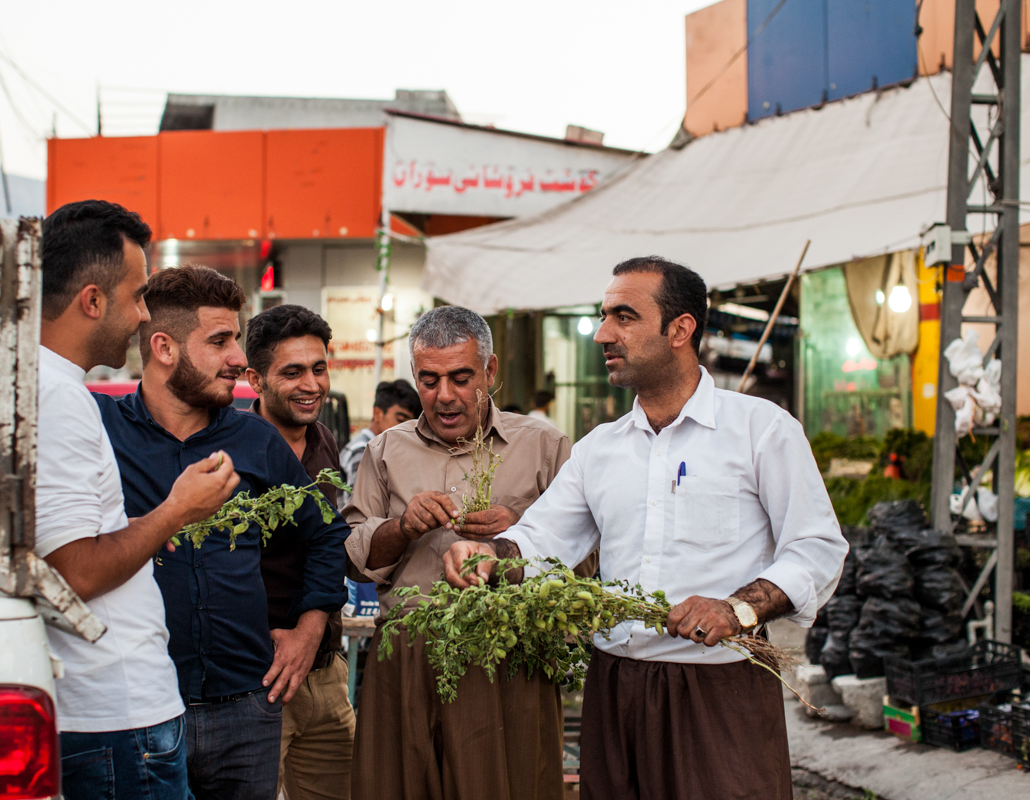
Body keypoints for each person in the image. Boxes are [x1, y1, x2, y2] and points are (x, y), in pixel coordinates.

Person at [443, 256, 848, 800]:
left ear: (681, 329)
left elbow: (817, 547)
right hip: (617, 685)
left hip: (720, 686)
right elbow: (540, 541)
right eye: (604, 316)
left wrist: (738, 608)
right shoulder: (600, 449)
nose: (604, 334)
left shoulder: (760, 430)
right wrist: (488, 555)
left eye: (625, 317)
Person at [94, 268, 350, 800]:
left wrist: (309, 628)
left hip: (247, 708)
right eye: (220, 341)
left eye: (236, 338)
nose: (238, 356)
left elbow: (326, 535)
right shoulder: (102, 431)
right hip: (141, 707)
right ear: (163, 347)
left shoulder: (254, 439)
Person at [36, 201, 240, 800]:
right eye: (137, 294)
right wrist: (177, 509)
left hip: (103, 713)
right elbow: (73, 569)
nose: (144, 314)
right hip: (116, 717)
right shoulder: (60, 398)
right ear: (92, 301)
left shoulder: (39, 384)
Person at [345, 306, 572, 800]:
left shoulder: (544, 447)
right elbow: (352, 553)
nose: (444, 395)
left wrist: (518, 535)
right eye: (429, 380)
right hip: (406, 657)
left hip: (508, 659)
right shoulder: (385, 451)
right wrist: (402, 527)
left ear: (490, 372)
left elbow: (585, 561)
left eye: (461, 377)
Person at [244, 304, 357, 800]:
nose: (311, 384)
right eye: (292, 372)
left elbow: (328, 544)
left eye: (318, 368)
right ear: (255, 379)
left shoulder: (325, 441)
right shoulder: (232, 450)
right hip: (260, 674)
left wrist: (313, 636)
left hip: (327, 672)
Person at [338, 379, 422, 508]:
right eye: (400, 420)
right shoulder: (361, 452)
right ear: (377, 414)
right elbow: (357, 508)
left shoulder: (386, 450)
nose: (406, 429)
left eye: (410, 424)